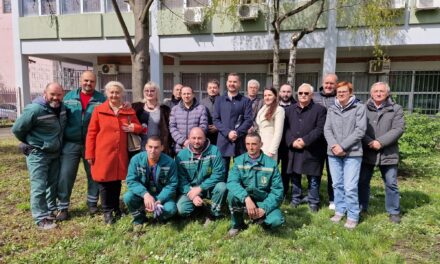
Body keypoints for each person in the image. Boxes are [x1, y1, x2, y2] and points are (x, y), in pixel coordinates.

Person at [85, 81, 142, 225]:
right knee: (104, 182)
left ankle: (116, 208)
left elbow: (139, 127)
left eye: (117, 92)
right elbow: (91, 133)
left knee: (116, 181)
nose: (114, 95)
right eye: (111, 92)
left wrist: (133, 127)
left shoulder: (128, 110)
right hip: (103, 153)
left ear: (122, 94)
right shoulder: (99, 110)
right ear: (107, 94)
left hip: (120, 154)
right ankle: (107, 211)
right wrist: (89, 154)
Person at [12, 82, 67, 230]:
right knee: (39, 186)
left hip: (55, 153)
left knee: (51, 184)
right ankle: (40, 218)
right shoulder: (35, 109)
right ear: (45, 93)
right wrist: (27, 142)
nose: (55, 97)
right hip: (38, 154)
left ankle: (49, 211)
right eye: (52, 94)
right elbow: (17, 129)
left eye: (59, 94)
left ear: (63, 95)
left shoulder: (62, 108)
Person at [57, 71, 106, 221]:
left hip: (91, 144)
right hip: (70, 143)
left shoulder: (101, 99)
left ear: (95, 83)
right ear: (80, 81)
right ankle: (63, 207)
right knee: (65, 175)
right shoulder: (68, 98)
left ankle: (92, 203)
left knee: (93, 174)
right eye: (86, 81)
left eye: (91, 81)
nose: (88, 84)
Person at [358, 82, 405, 224]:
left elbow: (398, 129)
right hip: (367, 151)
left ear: (387, 93)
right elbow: (359, 128)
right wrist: (370, 142)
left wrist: (381, 142)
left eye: (381, 91)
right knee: (362, 181)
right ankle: (361, 207)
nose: (378, 94)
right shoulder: (363, 108)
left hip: (388, 152)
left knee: (391, 183)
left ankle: (393, 211)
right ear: (371, 93)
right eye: (376, 91)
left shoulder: (395, 109)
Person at [324, 81, 366, 229]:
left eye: (344, 91)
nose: (341, 94)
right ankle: (340, 210)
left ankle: (353, 215)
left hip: (352, 153)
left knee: (350, 186)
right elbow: (327, 129)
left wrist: (343, 146)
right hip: (333, 153)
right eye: (339, 91)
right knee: (337, 184)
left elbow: (360, 130)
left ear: (350, 93)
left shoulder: (359, 108)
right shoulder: (332, 109)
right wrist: (335, 146)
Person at [226, 132, 284, 237]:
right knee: (232, 195)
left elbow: (277, 191)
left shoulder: (271, 164)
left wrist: (264, 208)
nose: (250, 147)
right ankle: (238, 225)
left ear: (261, 144)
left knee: (276, 221)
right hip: (245, 201)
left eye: (254, 144)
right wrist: (246, 198)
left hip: (263, 201)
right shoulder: (239, 161)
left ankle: (259, 219)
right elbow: (231, 182)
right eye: (248, 144)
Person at [284, 83, 327, 212]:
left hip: (312, 148)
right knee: (295, 175)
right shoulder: (289, 110)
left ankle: (313, 201)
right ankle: (296, 198)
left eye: (306, 93)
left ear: (312, 95)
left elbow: (319, 129)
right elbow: (286, 129)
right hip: (295, 148)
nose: (303, 95)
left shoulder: (320, 110)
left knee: (313, 177)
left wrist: (304, 140)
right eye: (301, 93)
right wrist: (292, 141)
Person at [175, 127, 226, 224]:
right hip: (190, 190)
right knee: (182, 209)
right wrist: (193, 196)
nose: (196, 141)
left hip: (209, 188)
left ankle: (213, 214)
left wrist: (201, 188)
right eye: (193, 138)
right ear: (189, 138)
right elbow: (181, 180)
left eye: (199, 138)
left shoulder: (214, 150)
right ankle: (199, 208)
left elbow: (219, 174)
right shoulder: (181, 155)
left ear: (205, 138)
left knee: (222, 187)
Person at [123, 136, 178, 226]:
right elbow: (131, 181)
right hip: (143, 194)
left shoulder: (170, 162)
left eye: (156, 147)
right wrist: (145, 194)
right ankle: (139, 219)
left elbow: (172, 185)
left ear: (162, 148)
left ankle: (157, 217)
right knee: (128, 197)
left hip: (160, 195)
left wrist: (160, 200)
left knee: (171, 209)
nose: (153, 150)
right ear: (146, 147)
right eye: (150, 147)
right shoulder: (136, 160)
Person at [213, 73, 253, 176]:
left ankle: (238, 191)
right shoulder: (219, 100)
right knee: (222, 172)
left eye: (235, 81)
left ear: (239, 84)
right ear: (226, 83)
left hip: (239, 141)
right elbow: (216, 120)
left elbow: (248, 120)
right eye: (230, 81)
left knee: (241, 171)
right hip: (223, 140)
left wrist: (237, 133)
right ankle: (223, 191)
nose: (232, 84)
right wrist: (228, 133)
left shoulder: (246, 101)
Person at [313, 73, 338, 210]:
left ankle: (333, 199)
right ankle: (314, 198)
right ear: (323, 83)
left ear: (336, 85)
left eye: (331, 83)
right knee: (315, 171)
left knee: (332, 172)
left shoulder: (339, 97)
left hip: (333, 141)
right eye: (326, 83)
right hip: (317, 141)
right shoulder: (314, 97)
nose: (328, 86)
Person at [131, 81, 172, 156]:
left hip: (157, 148)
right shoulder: (136, 107)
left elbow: (168, 130)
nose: (149, 93)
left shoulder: (165, 110)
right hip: (140, 148)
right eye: (146, 90)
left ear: (157, 93)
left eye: (152, 91)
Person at [169, 86, 208, 154]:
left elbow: (203, 126)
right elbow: (172, 127)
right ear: (181, 95)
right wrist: (183, 141)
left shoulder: (201, 108)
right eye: (184, 94)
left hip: (196, 147)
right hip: (179, 147)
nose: (186, 96)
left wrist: (192, 141)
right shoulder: (175, 109)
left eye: (188, 93)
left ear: (193, 95)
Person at [255, 87, 285, 161]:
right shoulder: (263, 109)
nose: (267, 97)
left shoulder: (279, 110)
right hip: (259, 145)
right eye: (265, 95)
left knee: (267, 171)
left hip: (269, 147)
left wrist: (272, 150)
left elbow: (278, 132)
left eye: (269, 95)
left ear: (275, 96)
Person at [278, 83, 297, 198]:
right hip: (275, 143)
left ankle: (284, 192)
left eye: (288, 91)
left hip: (289, 143)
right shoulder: (273, 105)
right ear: (279, 93)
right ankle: (272, 190)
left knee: (286, 170)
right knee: (273, 168)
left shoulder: (296, 106)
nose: (285, 94)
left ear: (292, 93)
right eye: (283, 91)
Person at [200, 79, 220, 145]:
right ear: (207, 89)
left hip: (220, 133)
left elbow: (227, 117)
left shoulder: (224, 101)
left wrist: (218, 127)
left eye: (214, 88)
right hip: (206, 133)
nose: (212, 89)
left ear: (218, 89)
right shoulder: (202, 102)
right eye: (210, 88)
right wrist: (205, 126)